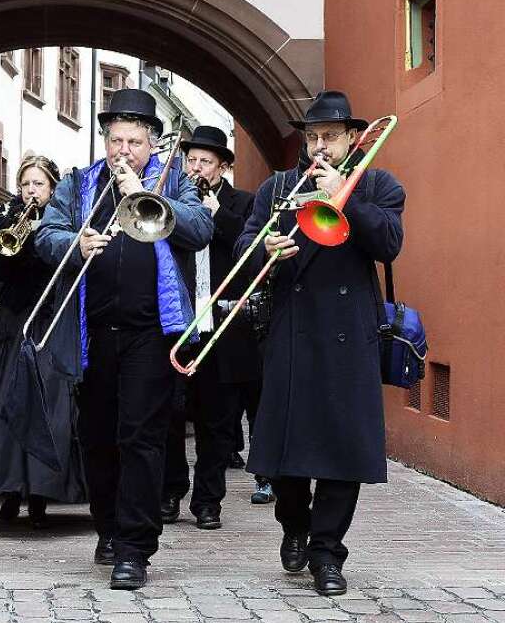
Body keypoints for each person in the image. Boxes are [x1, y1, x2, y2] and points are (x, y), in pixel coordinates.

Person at [35, 89, 213, 589]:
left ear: (151, 145)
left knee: (141, 436)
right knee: (97, 436)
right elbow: (46, 234)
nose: (123, 151)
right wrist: (75, 243)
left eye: (134, 141)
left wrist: (146, 192)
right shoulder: (79, 183)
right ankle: (108, 526)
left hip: (150, 332)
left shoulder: (174, 178)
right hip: (93, 331)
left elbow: (199, 228)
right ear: (105, 140)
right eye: (116, 140)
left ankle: (135, 547)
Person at [235, 90, 405, 596]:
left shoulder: (377, 184)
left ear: (353, 138)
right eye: (312, 137)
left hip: (349, 332)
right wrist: (264, 247)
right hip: (292, 328)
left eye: (329, 137)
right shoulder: (279, 187)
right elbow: (243, 249)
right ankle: (294, 525)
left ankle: (328, 553)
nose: (319, 146)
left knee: (342, 449)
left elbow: (390, 243)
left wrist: (345, 195)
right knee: (286, 450)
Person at [0, 155, 85, 526]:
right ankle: (8, 490)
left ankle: (39, 495)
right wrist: (6, 233)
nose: (31, 191)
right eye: (26, 184)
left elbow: (69, 265)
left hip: (49, 318)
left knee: (47, 406)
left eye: (38, 184)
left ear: (52, 188)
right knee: (3, 402)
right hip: (12, 319)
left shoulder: (61, 221)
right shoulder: (8, 219)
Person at [162, 126, 263, 528]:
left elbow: (249, 247)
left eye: (205, 161)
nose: (197, 167)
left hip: (224, 326)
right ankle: (170, 491)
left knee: (217, 421)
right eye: (192, 160)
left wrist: (216, 213)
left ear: (223, 166)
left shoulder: (243, 204)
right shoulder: (171, 201)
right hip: (180, 322)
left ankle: (208, 501)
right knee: (169, 414)